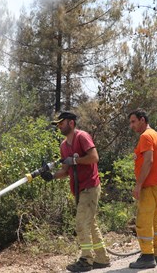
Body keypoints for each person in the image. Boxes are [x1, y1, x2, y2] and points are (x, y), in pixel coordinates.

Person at [41, 111, 110, 272]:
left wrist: (75, 160)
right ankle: (102, 258)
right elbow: (65, 171)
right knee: (90, 223)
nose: (59, 126)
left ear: (71, 123)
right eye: (57, 124)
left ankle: (86, 259)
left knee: (81, 222)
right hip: (78, 189)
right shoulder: (64, 146)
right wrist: (51, 176)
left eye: (61, 123)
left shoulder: (82, 137)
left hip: (90, 186)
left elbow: (94, 157)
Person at [127, 108, 157, 269]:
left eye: (133, 121)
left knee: (143, 221)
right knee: (154, 221)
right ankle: (156, 254)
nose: (131, 126)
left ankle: (147, 256)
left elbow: (148, 161)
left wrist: (139, 184)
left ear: (142, 120)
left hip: (149, 186)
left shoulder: (145, 137)